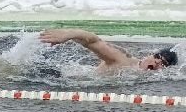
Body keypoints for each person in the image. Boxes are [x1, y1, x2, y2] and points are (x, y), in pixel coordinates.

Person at [38, 28, 178, 73]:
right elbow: (94, 41)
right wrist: (68, 34)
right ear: (151, 55)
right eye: (157, 59)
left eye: (162, 65)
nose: (154, 65)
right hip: (54, 76)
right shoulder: (124, 60)